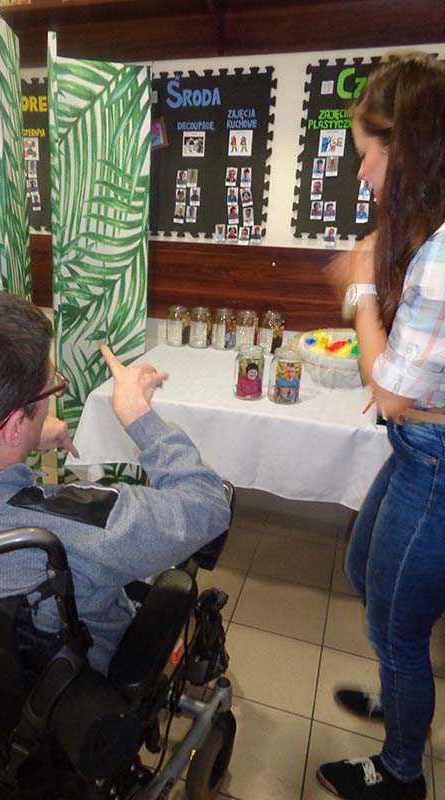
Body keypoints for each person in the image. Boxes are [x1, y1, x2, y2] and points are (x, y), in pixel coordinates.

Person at [0, 285, 230, 677]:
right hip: (74, 691)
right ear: (11, 427)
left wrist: (19, 440)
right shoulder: (76, 528)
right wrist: (139, 416)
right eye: (51, 387)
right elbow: (208, 505)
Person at [318, 53, 445, 800]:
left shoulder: (437, 256)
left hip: (433, 461)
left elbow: (391, 394)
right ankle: (404, 703)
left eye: (368, 153)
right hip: (419, 449)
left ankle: (401, 773)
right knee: (364, 568)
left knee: (397, 631)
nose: (362, 172)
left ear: (407, 147)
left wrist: (362, 288)